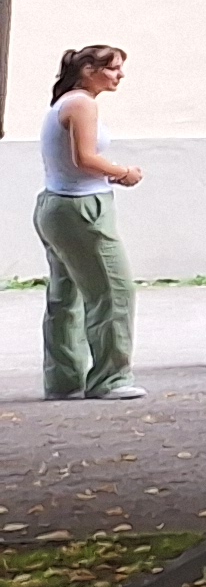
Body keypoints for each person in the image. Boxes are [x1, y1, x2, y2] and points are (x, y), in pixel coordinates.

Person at [34, 41, 144, 401]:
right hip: (82, 208)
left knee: (66, 294)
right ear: (88, 70)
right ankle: (110, 379)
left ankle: (63, 380)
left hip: (57, 205)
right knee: (114, 290)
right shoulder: (82, 103)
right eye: (113, 68)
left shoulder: (65, 102)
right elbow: (85, 158)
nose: (120, 75)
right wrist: (123, 172)